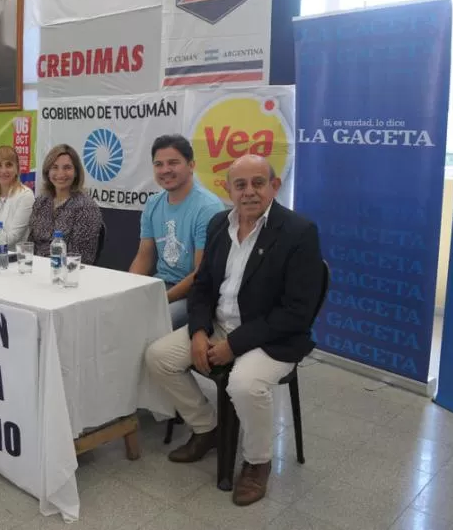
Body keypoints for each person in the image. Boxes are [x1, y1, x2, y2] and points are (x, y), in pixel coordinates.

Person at [144, 155, 325, 507]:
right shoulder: (217, 225)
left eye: (258, 182)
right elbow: (203, 287)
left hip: (272, 337)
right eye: (240, 185)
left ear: (275, 186)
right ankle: (206, 428)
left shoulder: (299, 233)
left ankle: (257, 463)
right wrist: (198, 332)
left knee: (244, 384)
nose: (249, 192)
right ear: (228, 189)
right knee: (157, 358)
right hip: (216, 325)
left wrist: (234, 345)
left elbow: (296, 313)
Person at [130, 135, 223, 329]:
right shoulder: (153, 204)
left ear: (191, 165)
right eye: (158, 164)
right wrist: (129, 289)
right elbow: (143, 257)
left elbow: (200, 274)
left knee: (149, 324)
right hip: (161, 284)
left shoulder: (207, 207)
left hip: (194, 293)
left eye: (173, 163)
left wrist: (162, 299)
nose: (165, 170)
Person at [28, 144, 103, 265]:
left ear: (76, 172)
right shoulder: (41, 202)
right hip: (36, 271)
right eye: (55, 167)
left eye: (67, 167)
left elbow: (81, 259)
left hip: (67, 275)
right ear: (48, 171)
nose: (60, 173)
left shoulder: (86, 207)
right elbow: (31, 245)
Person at [0, 145, 35, 247]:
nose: (3, 170)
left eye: (9, 165)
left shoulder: (25, 195)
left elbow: (14, 236)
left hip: (12, 257)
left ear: (17, 168)